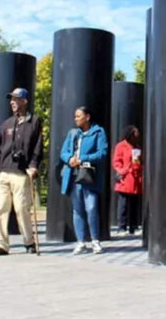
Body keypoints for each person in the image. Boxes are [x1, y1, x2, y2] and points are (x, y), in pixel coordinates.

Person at [0, 88, 42, 256]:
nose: (12, 102)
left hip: (21, 172)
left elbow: (38, 147)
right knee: (0, 209)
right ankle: (1, 244)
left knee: (21, 208)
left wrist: (33, 165)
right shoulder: (6, 124)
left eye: (16, 99)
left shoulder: (34, 121)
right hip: (4, 171)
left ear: (24, 101)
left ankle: (29, 241)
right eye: (11, 99)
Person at [59, 106, 108, 255]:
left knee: (91, 207)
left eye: (78, 116)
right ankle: (80, 242)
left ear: (87, 117)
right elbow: (63, 152)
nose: (75, 119)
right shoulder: (72, 133)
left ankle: (95, 240)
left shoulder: (98, 132)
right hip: (74, 175)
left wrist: (83, 159)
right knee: (77, 209)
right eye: (75, 116)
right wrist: (70, 158)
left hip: (88, 176)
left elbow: (102, 153)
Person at [112, 125, 142, 235]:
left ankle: (133, 226)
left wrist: (138, 167)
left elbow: (138, 162)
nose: (137, 136)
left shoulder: (137, 147)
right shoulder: (121, 146)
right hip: (125, 178)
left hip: (135, 178)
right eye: (135, 133)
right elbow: (116, 161)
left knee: (134, 204)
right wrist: (124, 170)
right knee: (123, 204)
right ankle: (121, 227)